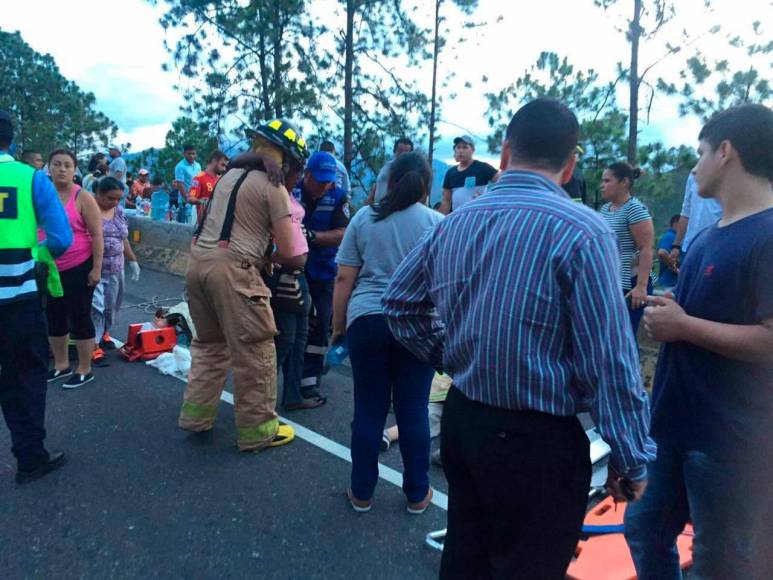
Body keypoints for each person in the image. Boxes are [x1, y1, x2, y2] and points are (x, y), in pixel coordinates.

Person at [382, 98, 655, 579]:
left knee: (466, 554)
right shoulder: (583, 231)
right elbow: (610, 362)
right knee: (529, 566)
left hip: (465, 420)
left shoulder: (456, 223)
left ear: (505, 154)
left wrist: (451, 353)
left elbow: (400, 304)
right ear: (570, 165)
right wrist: (630, 457)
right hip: (539, 442)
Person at [625, 104, 773, 580]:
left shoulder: (768, 234)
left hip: (730, 440)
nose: (694, 166)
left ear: (726, 152)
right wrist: (670, 312)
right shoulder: (709, 237)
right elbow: (695, 314)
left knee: (721, 561)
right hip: (672, 426)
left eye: (700, 152)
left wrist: (684, 326)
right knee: (644, 526)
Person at [178, 119, 309, 451]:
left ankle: (197, 416)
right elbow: (292, 254)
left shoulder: (226, 177)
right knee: (255, 352)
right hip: (235, 272)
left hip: (197, 264)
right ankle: (258, 432)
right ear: (288, 160)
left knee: (209, 346)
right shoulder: (273, 186)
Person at [333, 151, 442, 513]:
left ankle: (361, 493)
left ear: (389, 182)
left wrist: (338, 328)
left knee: (369, 408)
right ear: (427, 187)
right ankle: (416, 495)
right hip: (417, 326)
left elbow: (344, 277)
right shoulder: (438, 223)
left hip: (367, 320)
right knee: (413, 410)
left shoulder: (364, 218)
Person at [0, 110, 73, 484]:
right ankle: (30, 458)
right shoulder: (31, 179)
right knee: (24, 377)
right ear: (10, 139)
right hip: (19, 300)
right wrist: (37, 255)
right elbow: (61, 239)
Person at [45, 149, 104, 389]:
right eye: (57, 164)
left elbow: (97, 234)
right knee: (54, 316)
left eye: (67, 165)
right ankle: (60, 364)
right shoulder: (41, 194)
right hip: (49, 268)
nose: (61, 169)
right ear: (48, 169)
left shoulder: (83, 197)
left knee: (79, 315)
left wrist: (96, 268)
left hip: (79, 265)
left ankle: (84, 367)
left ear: (74, 169)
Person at [294, 151, 350, 404]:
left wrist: (313, 237)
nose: (324, 185)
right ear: (307, 175)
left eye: (328, 181)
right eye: (319, 180)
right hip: (292, 267)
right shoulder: (290, 190)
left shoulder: (338, 196)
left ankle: (309, 383)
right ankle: (288, 379)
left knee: (320, 324)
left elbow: (342, 232)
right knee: (290, 326)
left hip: (323, 270)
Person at [599, 162, 656, 334]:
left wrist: (641, 286)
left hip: (631, 283)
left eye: (607, 181)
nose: (602, 185)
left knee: (625, 336)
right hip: (612, 281)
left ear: (624, 182)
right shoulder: (605, 209)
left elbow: (646, 248)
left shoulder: (635, 210)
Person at [91, 177, 141, 364]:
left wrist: (132, 260)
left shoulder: (119, 212)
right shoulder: (90, 210)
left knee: (112, 305)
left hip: (116, 267)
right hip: (96, 267)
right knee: (96, 307)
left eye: (118, 199)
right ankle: (93, 346)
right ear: (99, 194)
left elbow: (123, 238)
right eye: (110, 198)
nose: (114, 202)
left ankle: (104, 334)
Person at [668, 172, 723, 266]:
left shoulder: (729, 174)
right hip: (690, 247)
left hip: (716, 247)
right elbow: (686, 212)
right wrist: (676, 245)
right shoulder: (693, 175)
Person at [437, 134, 498, 214]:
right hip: (456, 219)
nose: (461, 151)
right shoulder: (450, 173)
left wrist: (489, 200)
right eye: (458, 147)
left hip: (478, 217)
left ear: (472, 150)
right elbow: (446, 201)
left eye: (465, 147)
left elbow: (503, 181)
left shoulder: (483, 168)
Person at [187, 149, 227, 223]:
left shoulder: (220, 180)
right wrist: (201, 201)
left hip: (218, 224)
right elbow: (190, 198)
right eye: (222, 165)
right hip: (204, 225)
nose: (224, 168)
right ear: (214, 161)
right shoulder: (199, 178)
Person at [369, 138, 413, 204]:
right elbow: (377, 185)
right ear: (394, 151)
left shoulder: (413, 172)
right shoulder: (386, 167)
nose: (403, 154)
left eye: (406, 152)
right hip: (379, 209)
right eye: (400, 151)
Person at [173, 144, 201, 209]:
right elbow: (180, 184)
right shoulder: (180, 166)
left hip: (196, 200)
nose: (191, 156)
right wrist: (187, 199)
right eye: (189, 153)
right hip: (184, 202)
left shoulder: (198, 165)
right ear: (184, 154)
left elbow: (199, 181)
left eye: (193, 153)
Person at [656, 214, 680, 290]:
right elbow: (662, 252)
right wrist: (676, 269)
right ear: (676, 223)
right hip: (669, 284)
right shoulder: (670, 236)